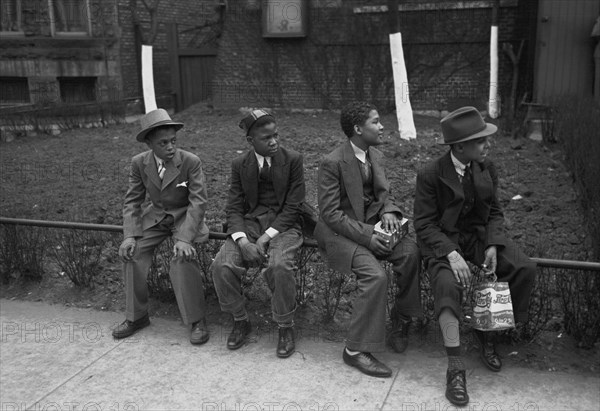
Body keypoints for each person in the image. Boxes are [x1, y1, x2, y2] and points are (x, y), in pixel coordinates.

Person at [414, 106, 536, 406]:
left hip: (479, 237)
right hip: (445, 240)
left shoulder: (485, 167)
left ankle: (488, 333)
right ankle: (455, 367)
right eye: (480, 141)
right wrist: (450, 253)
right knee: (447, 286)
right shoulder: (431, 174)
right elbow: (424, 224)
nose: (487, 145)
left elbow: (495, 211)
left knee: (522, 268)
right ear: (459, 146)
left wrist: (493, 244)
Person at [314, 101, 422, 378]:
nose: (382, 125)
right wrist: (369, 235)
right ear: (358, 128)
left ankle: (401, 320)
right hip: (339, 233)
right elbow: (330, 214)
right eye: (376, 121)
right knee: (375, 276)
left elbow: (383, 195)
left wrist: (388, 212)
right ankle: (354, 351)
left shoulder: (377, 156)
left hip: (371, 227)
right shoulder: (332, 162)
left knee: (410, 253)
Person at [210, 109, 306, 358]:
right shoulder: (240, 165)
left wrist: (264, 239)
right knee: (222, 265)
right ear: (250, 141)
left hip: (284, 225)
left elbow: (293, 207)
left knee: (279, 266)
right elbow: (233, 206)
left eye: (276, 135)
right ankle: (240, 319)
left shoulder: (293, 159)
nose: (273, 141)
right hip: (250, 224)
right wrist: (242, 242)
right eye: (266, 138)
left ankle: (285, 325)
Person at [112, 108, 210, 345]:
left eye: (173, 141)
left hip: (184, 218)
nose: (170, 147)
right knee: (132, 254)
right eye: (163, 143)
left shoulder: (190, 162)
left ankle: (196, 320)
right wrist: (129, 236)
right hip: (155, 218)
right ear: (149, 144)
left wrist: (185, 239)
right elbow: (133, 200)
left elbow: (198, 201)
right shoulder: (139, 163)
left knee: (182, 257)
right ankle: (137, 316)